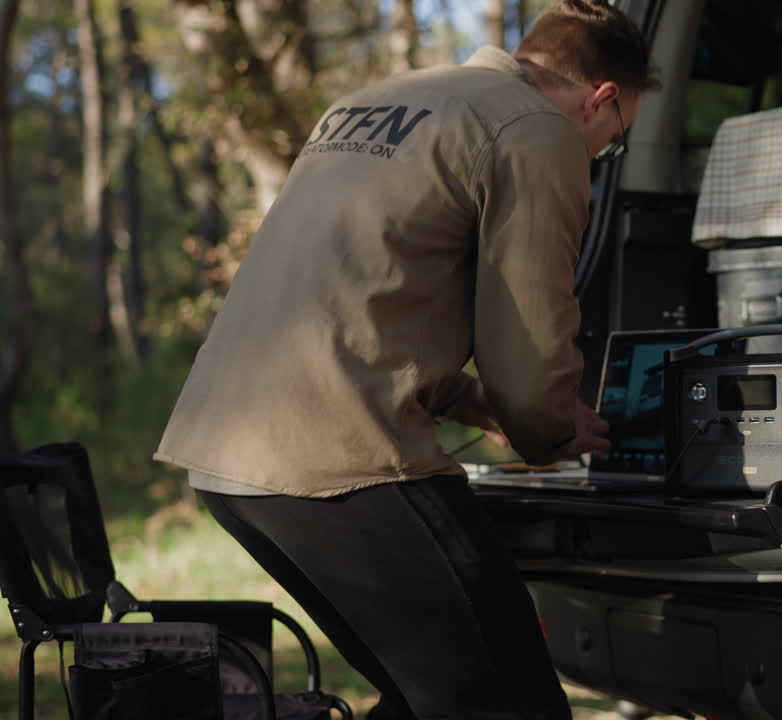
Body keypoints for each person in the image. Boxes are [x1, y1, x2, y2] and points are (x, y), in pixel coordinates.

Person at [153, 2, 659, 717]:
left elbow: (358, 290)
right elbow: (529, 325)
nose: (601, 156)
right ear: (600, 99)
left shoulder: (379, 99)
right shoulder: (536, 127)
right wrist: (547, 429)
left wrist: (467, 400)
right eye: (613, 142)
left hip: (225, 454)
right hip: (334, 460)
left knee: (424, 696)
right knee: (510, 703)